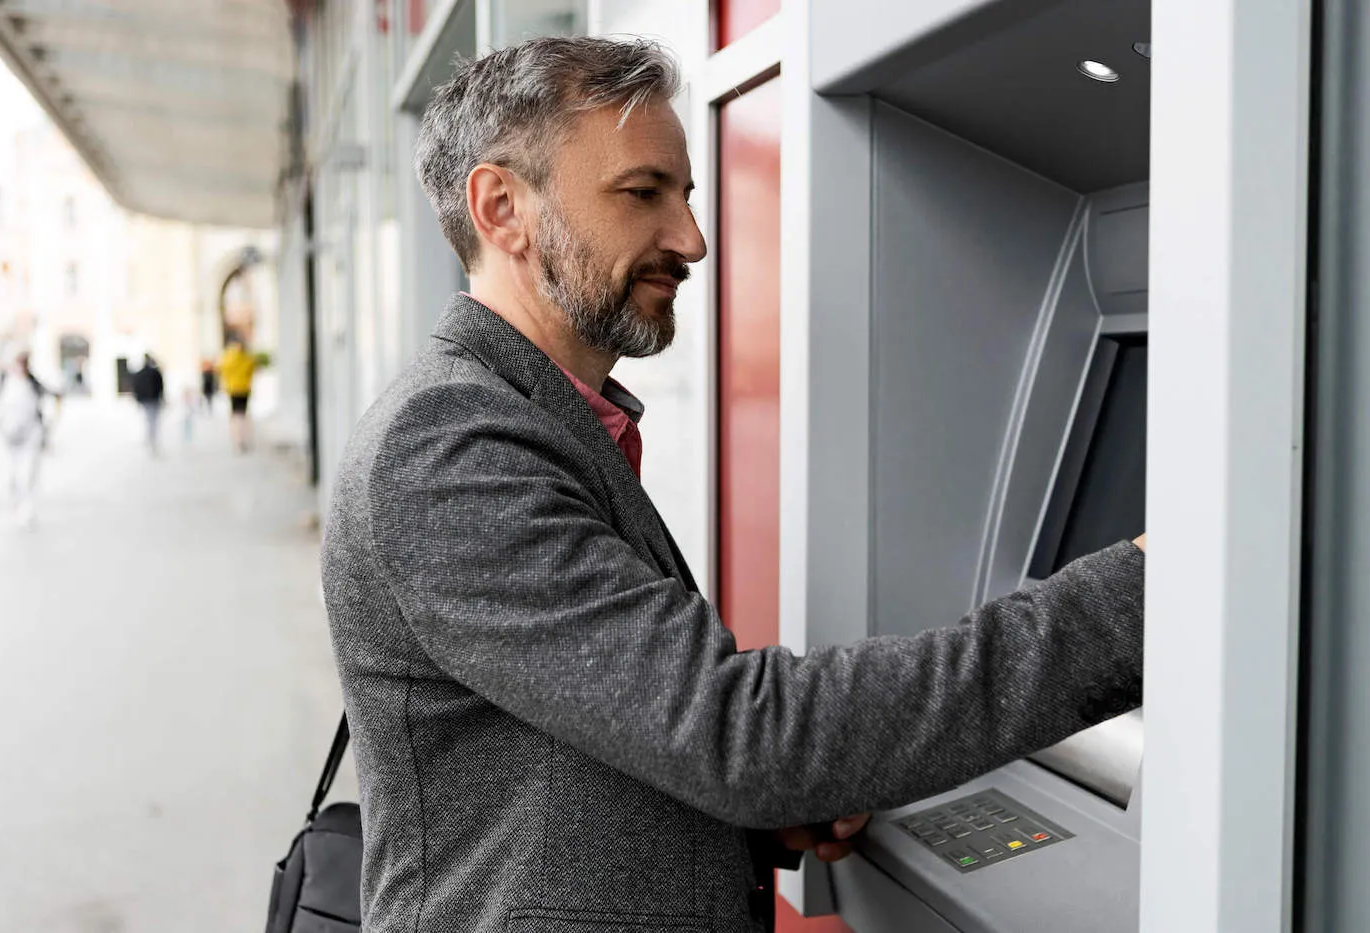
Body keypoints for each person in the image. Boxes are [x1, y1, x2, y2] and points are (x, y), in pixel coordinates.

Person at [321, 38, 1146, 933]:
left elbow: (586, 751)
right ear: (501, 206)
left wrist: (743, 817)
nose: (693, 240)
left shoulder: (540, 418)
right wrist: (1141, 593)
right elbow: (742, 734)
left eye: (688, 198)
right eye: (643, 193)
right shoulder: (450, 446)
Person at [0, 352, 50, 528]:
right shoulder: (3, 382)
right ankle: (16, 504)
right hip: (8, 436)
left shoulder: (33, 383)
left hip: (31, 435)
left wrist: (45, 433)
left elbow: (49, 401)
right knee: (12, 475)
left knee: (28, 474)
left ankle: (27, 510)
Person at [219, 337, 256, 453]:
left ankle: (237, 440)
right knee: (243, 415)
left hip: (233, 390)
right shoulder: (247, 358)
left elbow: (222, 370)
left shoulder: (228, 357)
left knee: (235, 416)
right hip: (244, 389)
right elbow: (251, 370)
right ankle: (242, 438)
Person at [131, 354, 166, 455]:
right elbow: (161, 387)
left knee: (149, 419)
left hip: (145, 400)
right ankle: (151, 438)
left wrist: (138, 400)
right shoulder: (155, 372)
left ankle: (149, 438)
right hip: (153, 400)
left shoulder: (140, 373)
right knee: (153, 420)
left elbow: (136, 388)